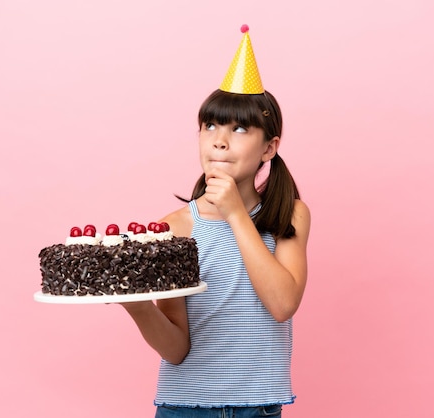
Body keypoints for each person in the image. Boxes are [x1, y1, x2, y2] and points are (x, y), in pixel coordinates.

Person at [121, 26, 310, 418]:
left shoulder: (288, 216)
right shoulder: (173, 229)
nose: (219, 141)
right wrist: (134, 303)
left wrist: (235, 214)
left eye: (239, 129)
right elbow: (176, 348)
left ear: (269, 148)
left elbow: (282, 304)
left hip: (257, 408)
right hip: (184, 406)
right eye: (210, 126)